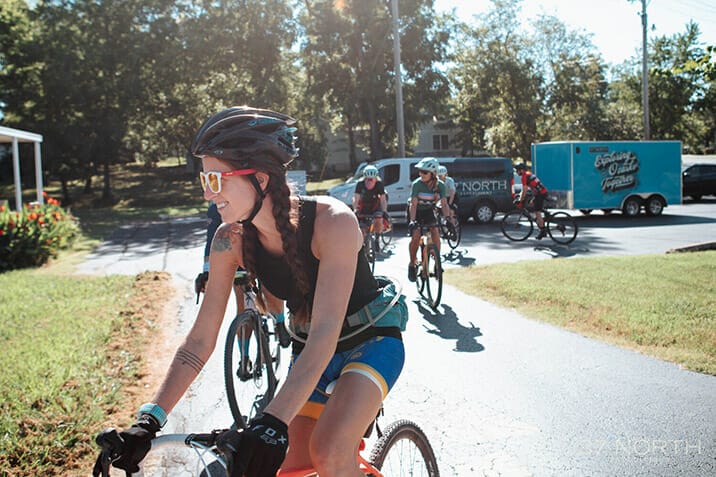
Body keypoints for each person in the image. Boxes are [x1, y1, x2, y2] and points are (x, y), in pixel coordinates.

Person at [95, 106, 408, 477]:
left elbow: (325, 334)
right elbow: (199, 342)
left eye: (216, 180)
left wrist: (272, 422)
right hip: (309, 352)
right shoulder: (229, 240)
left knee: (329, 453)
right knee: (270, 467)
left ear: (260, 179)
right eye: (204, 180)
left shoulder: (332, 222)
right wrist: (149, 420)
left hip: (370, 342)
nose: (208, 194)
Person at [194, 201, 291, 349]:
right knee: (244, 306)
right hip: (239, 260)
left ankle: (280, 321)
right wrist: (207, 271)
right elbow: (212, 241)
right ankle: (244, 357)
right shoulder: (217, 209)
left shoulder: (258, 203)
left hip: (263, 253)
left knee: (270, 289)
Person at [407, 157, 450, 282]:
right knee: (416, 236)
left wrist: (447, 219)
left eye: (424, 172)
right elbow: (413, 204)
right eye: (420, 171)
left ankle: (437, 263)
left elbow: (444, 204)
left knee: (435, 232)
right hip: (416, 211)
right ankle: (412, 264)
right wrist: (412, 221)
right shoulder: (417, 184)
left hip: (428, 211)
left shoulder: (440, 185)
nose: (421, 174)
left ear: (433, 173)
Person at [352, 164, 388, 239]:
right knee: (361, 225)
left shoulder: (379, 184)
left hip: (375, 205)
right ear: (364, 178)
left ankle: (377, 238)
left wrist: (384, 211)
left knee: (378, 219)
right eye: (367, 179)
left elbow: (383, 199)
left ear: (376, 178)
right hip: (363, 205)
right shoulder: (360, 184)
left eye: (372, 179)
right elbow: (356, 198)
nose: (369, 182)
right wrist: (355, 209)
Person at [514, 162, 549, 239]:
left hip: (540, 194)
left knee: (537, 211)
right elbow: (528, 189)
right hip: (541, 193)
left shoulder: (524, 177)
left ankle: (543, 230)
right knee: (532, 203)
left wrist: (520, 200)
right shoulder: (528, 174)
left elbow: (524, 190)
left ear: (522, 170)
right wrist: (520, 196)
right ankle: (541, 219)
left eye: (517, 170)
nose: (516, 172)